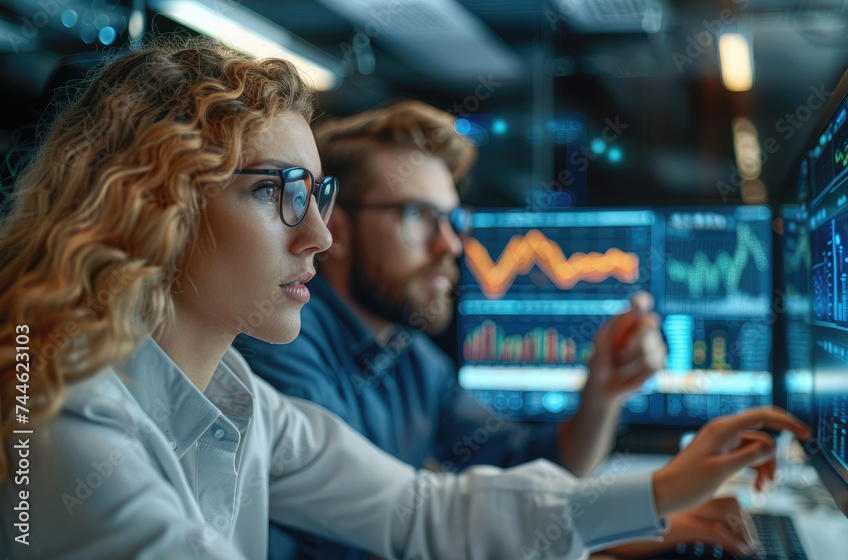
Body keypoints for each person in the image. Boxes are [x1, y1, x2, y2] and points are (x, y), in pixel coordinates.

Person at [0, 37, 810, 560]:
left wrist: (666, 489)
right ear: (157, 197)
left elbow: (423, 511)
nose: (316, 234)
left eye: (318, 194)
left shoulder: (241, 399)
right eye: (280, 193)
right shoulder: (49, 415)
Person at [234, 101, 758, 559]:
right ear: (337, 231)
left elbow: (529, 464)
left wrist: (604, 391)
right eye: (418, 215)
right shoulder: (280, 346)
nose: (451, 246)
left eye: (452, 221)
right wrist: (629, 528)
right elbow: (388, 534)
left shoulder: (407, 356)